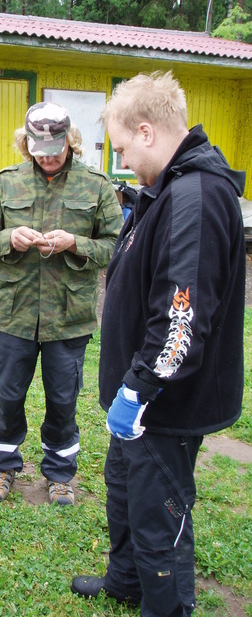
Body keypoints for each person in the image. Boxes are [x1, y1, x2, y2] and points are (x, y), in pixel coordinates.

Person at [71, 72, 246, 615]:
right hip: (140, 396)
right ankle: (126, 580)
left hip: (162, 406)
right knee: (124, 489)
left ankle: (166, 607)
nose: (122, 161)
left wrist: (140, 389)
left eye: (122, 148)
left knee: (158, 512)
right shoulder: (164, 189)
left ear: (146, 132)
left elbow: (181, 315)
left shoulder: (193, 196)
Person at [0, 101, 123, 506]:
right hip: (14, 314)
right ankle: (3, 469)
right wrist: (9, 238)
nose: (49, 156)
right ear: (27, 144)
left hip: (69, 317)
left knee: (62, 398)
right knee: (8, 394)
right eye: (40, 149)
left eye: (56, 147)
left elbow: (117, 246)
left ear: (70, 141)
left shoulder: (96, 185)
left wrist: (76, 243)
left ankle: (59, 475)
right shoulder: (7, 182)